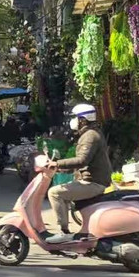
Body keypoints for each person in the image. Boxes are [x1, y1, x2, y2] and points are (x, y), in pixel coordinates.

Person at [44, 103, 112, 243]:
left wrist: (57, 164)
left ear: (83, 120)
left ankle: (64, 233)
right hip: (92, 179)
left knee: (54, 193)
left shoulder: (90, 136)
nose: (73, 121)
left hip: (93, 182)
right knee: (63, 191)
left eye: (75, 117)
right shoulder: (90, 133)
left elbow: (82, 160)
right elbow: (84, 162)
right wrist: (61, 168)